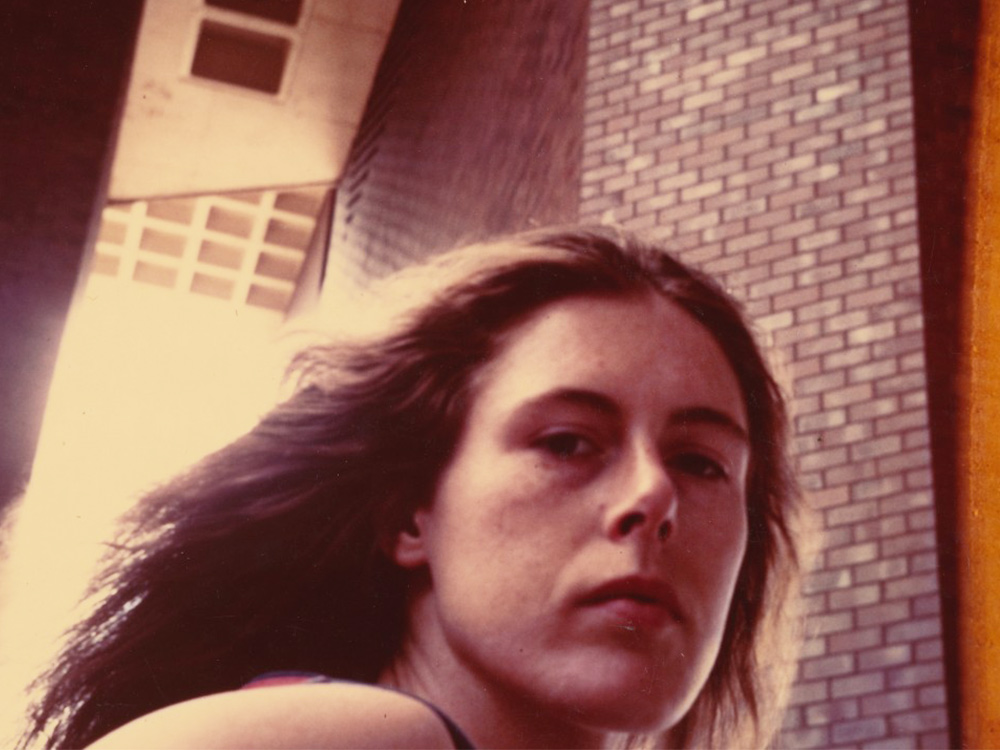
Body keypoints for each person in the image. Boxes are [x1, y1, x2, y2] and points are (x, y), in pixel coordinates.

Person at [21, 226, 801, 749]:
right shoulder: (365, 737)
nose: (653, 495)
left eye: (702, 462)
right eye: (566, 442)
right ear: (409, 515)